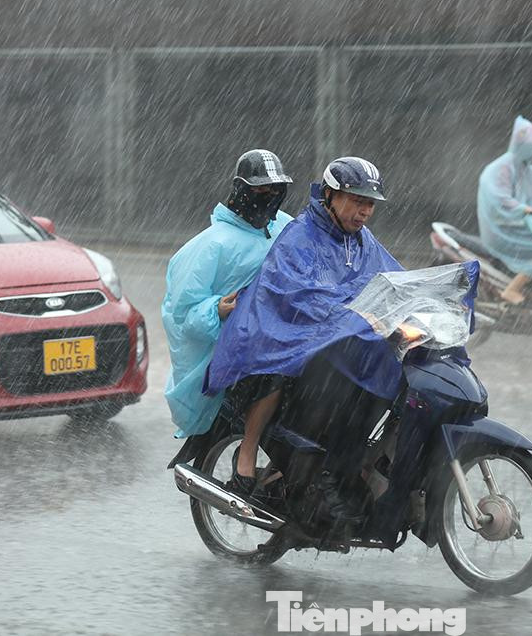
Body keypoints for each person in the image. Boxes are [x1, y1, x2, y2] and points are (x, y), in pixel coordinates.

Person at [205, 156, 403, 515]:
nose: (364, 212)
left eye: (370, 204)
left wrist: (416, 301)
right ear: (329, 194)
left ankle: (355, 462)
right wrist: (353, 312)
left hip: (336, 333)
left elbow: (392, 277)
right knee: (277, 366)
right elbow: (300, 292)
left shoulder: (362, 241)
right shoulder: (300, 235)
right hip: (277, 330)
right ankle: (246, 456)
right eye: (357, 201)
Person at [161, 149, 293, 444]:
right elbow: (180, 315)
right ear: (241, 190)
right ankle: (248, 452)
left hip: (288, 334)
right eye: (260, 189)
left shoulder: (285, 226)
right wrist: (216, 311)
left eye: (275, 189)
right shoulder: (208, 247)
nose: (268, 196)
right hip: (245, 352)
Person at [477, 115, 532, 305]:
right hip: (501, 228)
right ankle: (512, 289)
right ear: (524, 146)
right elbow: (501, 200)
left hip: (522, 225)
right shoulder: (502, 168)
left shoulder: (530, 171)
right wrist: (530, 210)